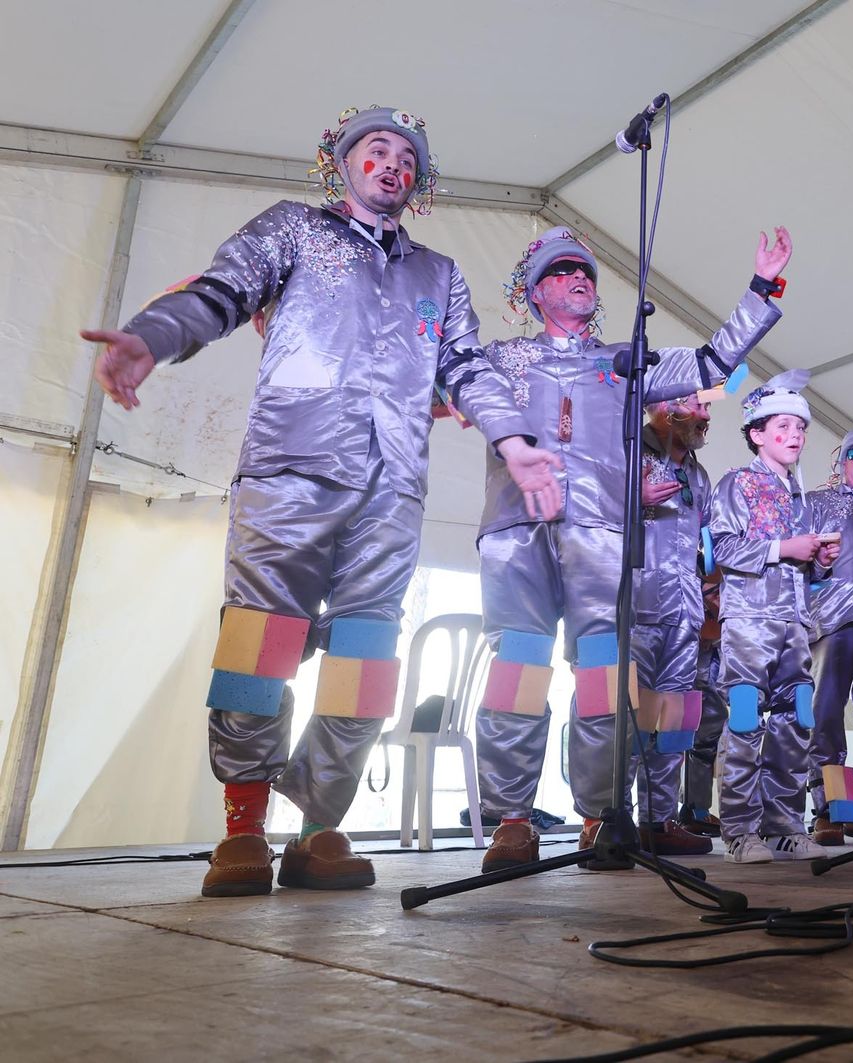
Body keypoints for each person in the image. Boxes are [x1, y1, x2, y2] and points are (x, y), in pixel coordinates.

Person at [80, 106, 562, 897]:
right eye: (377, 148)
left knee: (368, 656)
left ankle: (318, 827)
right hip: (290, 467)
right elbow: (221, 291)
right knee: (258, 644)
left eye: (409, 157)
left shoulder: (437, 275)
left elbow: (469, 369)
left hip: (393, 486)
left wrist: (513, 439)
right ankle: (242, 827)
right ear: (340, 162)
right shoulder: (292, 229)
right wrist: (154, 337)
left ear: (419, 182)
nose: (394, 163)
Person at [474, 224, 791, 873]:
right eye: (562, 271)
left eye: (586, 271)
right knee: (519, 670)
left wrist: (761, 288)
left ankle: (600, 814)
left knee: (603, 679)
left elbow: (709, 367)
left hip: (601, 534)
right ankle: (510, 818)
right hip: (516, 531)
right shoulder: (501, 357)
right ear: (535, 292)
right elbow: (436, 386)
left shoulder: (623, 361)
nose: (579, 278)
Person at [710, 370, 840, 862]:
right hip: (747, 619)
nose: (794, 436)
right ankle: (739, 831)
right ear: (756, 434)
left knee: (796, 719)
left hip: (795, 621)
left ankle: (785, 823)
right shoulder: (737, 482)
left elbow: (802, 566)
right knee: (745, 719)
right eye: (782, 426)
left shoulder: (802, 496)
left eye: (800, 428)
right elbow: (722, 547)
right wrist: (785, 547)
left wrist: (817, 565)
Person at [626, 392, 717, 855]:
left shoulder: (699, 475)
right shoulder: (626, 449)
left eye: (705, 407)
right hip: (637, 608)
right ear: (665, 408)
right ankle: (611, 818)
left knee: (676, 723)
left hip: (685, 614)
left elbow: (710, 545)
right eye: (696, 406)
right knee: (629, 718)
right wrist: (632, 500)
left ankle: (660, 821)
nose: (705, 415)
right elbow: (587, 513)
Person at [803, 425, 853, 846]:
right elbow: (799, 563)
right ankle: (832, 808)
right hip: (834, 621)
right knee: (827, 718)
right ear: (841, 462)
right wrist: (817, 565)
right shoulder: (818, 502)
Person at [677, 570, 729, 837]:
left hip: (709, 646)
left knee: (708, 725)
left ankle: (695, 809)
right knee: (668, 726)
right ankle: (656, 816)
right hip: (679, 636)